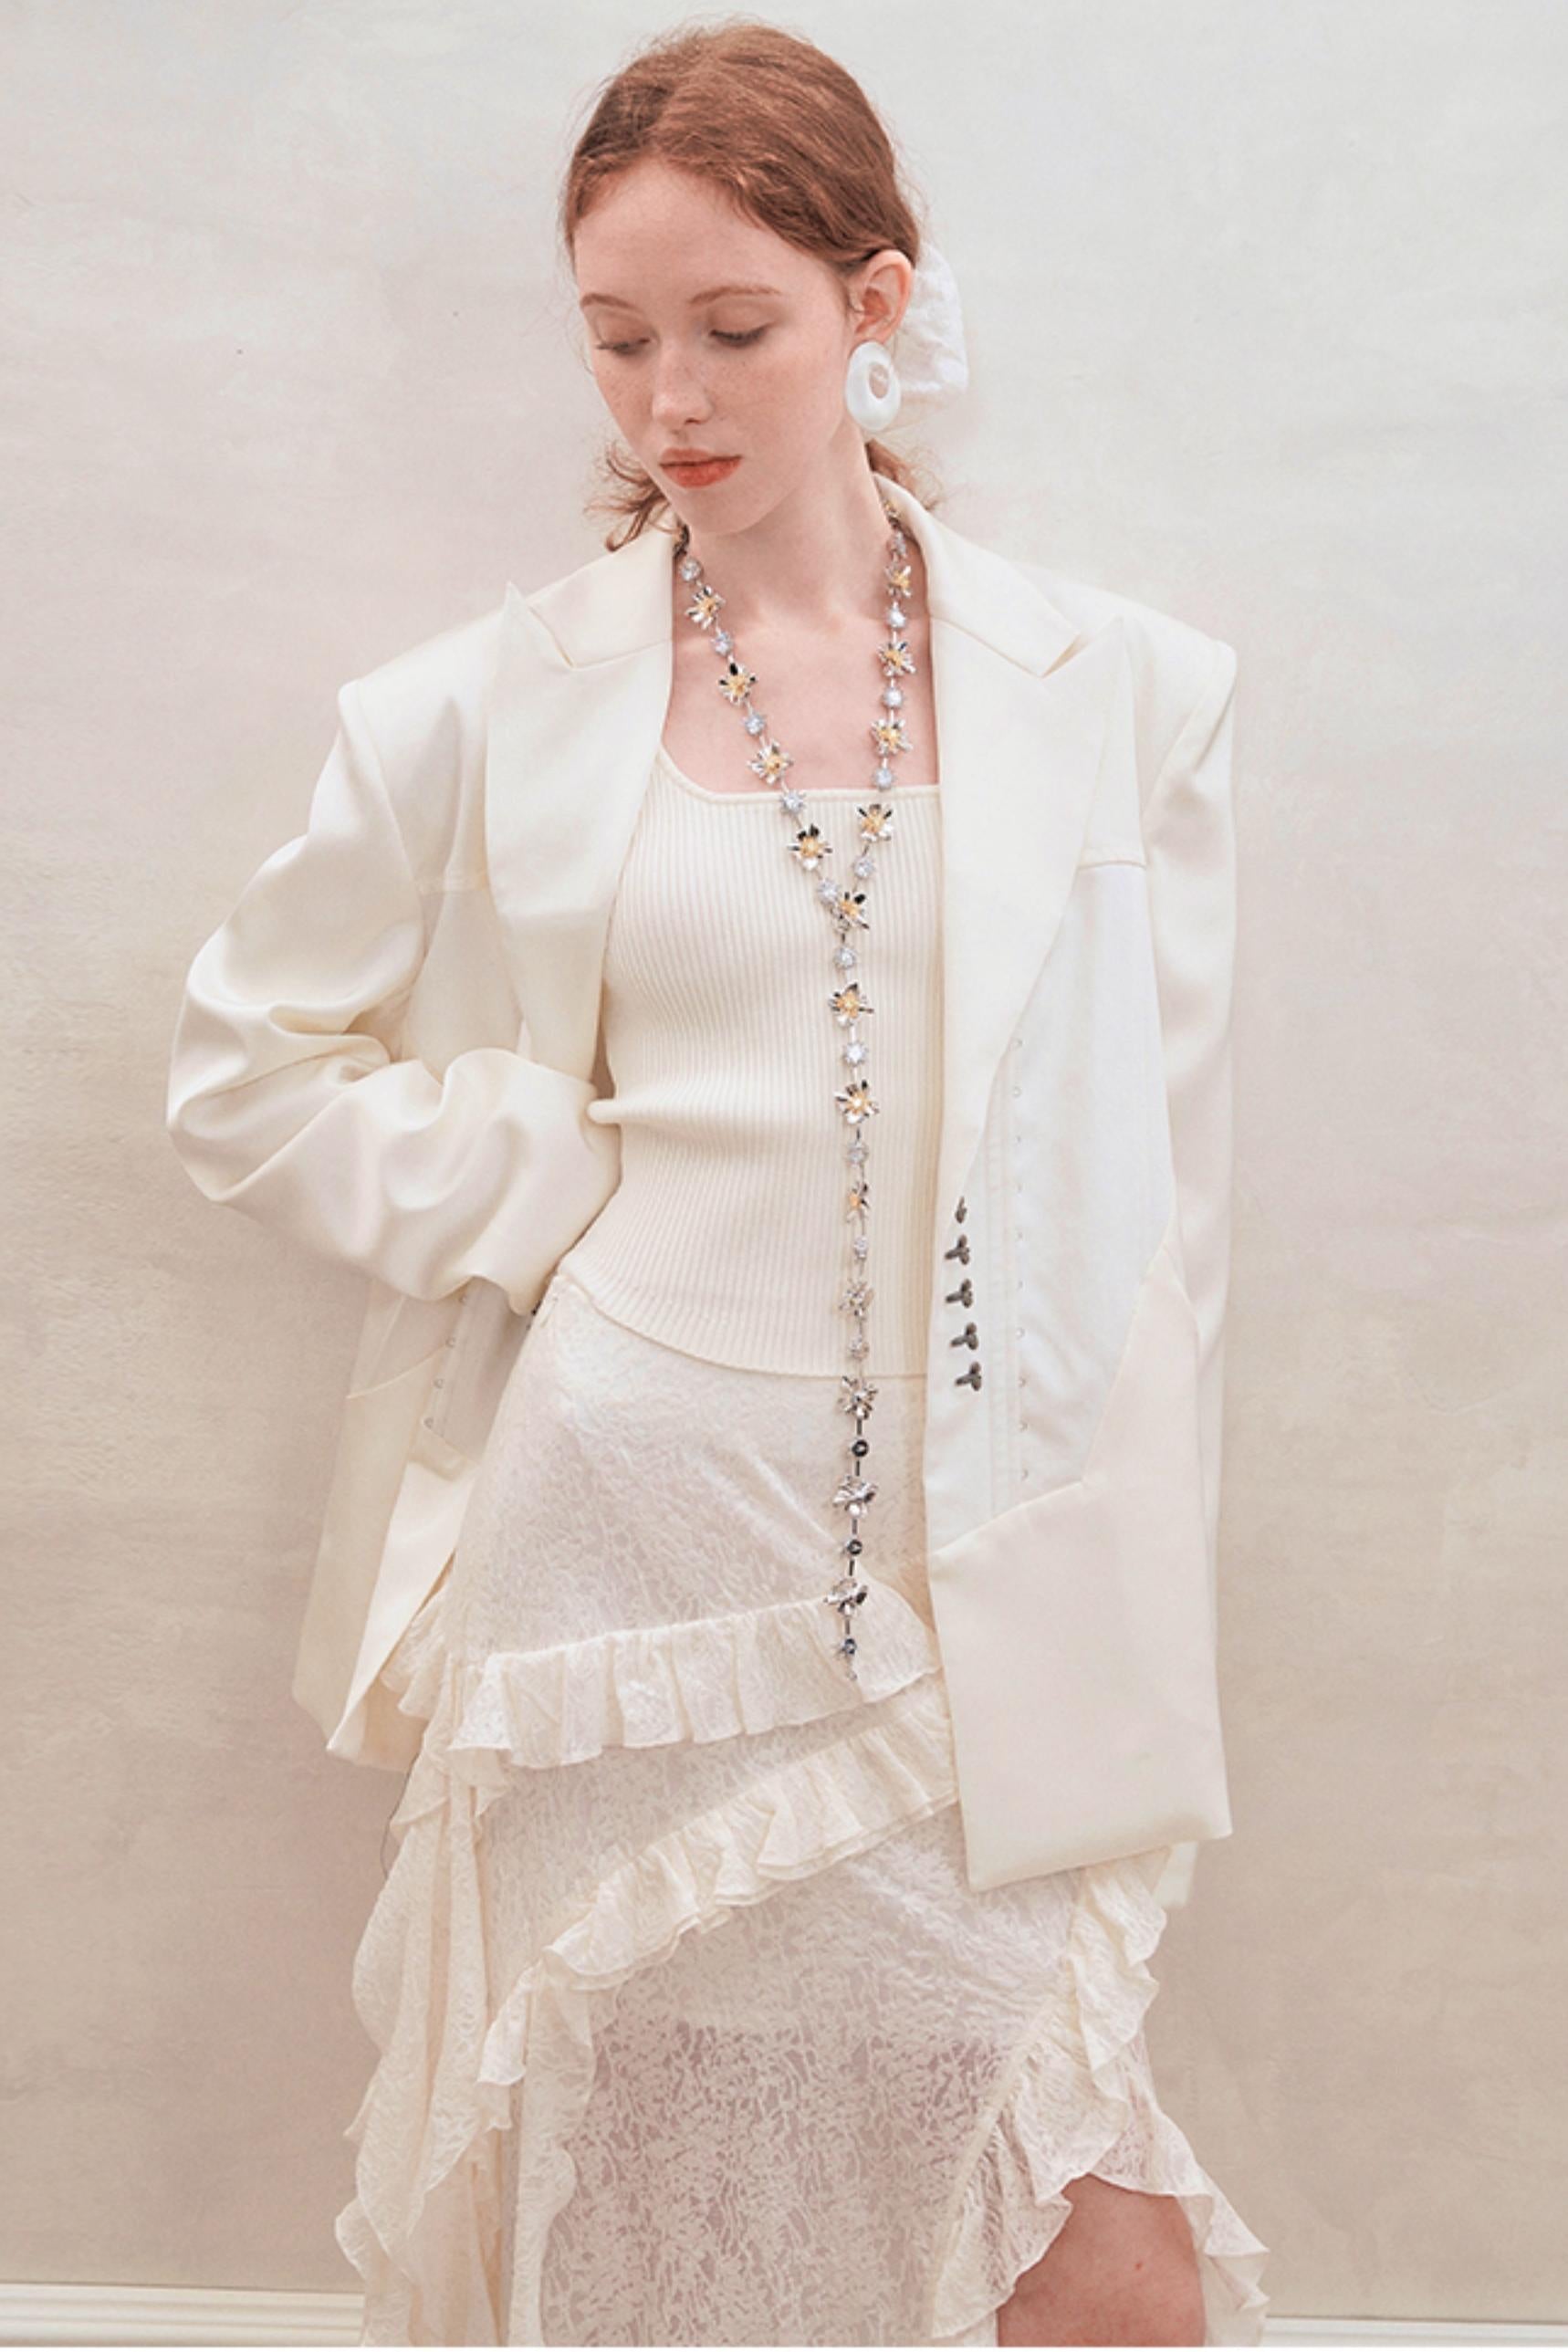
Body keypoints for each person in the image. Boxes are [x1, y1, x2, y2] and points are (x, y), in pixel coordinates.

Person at [165, 20, 1270, 2347]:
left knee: (1098, 2253)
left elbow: (1157, 1215)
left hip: (966, 1567)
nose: (669, 397)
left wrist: (1129, 1582)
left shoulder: (1117, 693)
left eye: (733, 328)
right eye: (616, 335)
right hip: (623, 1549)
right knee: (644, 2210)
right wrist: (538, 1166)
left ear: (876, 303)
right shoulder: (484, 701)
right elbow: (242, 1073)